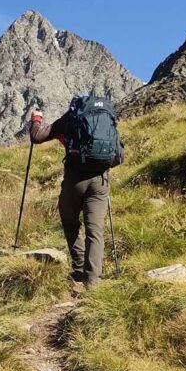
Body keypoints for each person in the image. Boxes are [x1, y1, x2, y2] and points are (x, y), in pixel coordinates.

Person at [29, 100, 123, 286]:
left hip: (74, 180)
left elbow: (37, 137)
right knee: (95, 230)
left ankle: (79, 268)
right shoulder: (107, 121)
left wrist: (36, 120)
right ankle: (93, 280)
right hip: (100, 181)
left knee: (70, 221)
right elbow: (119, 156)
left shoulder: (70, 120)